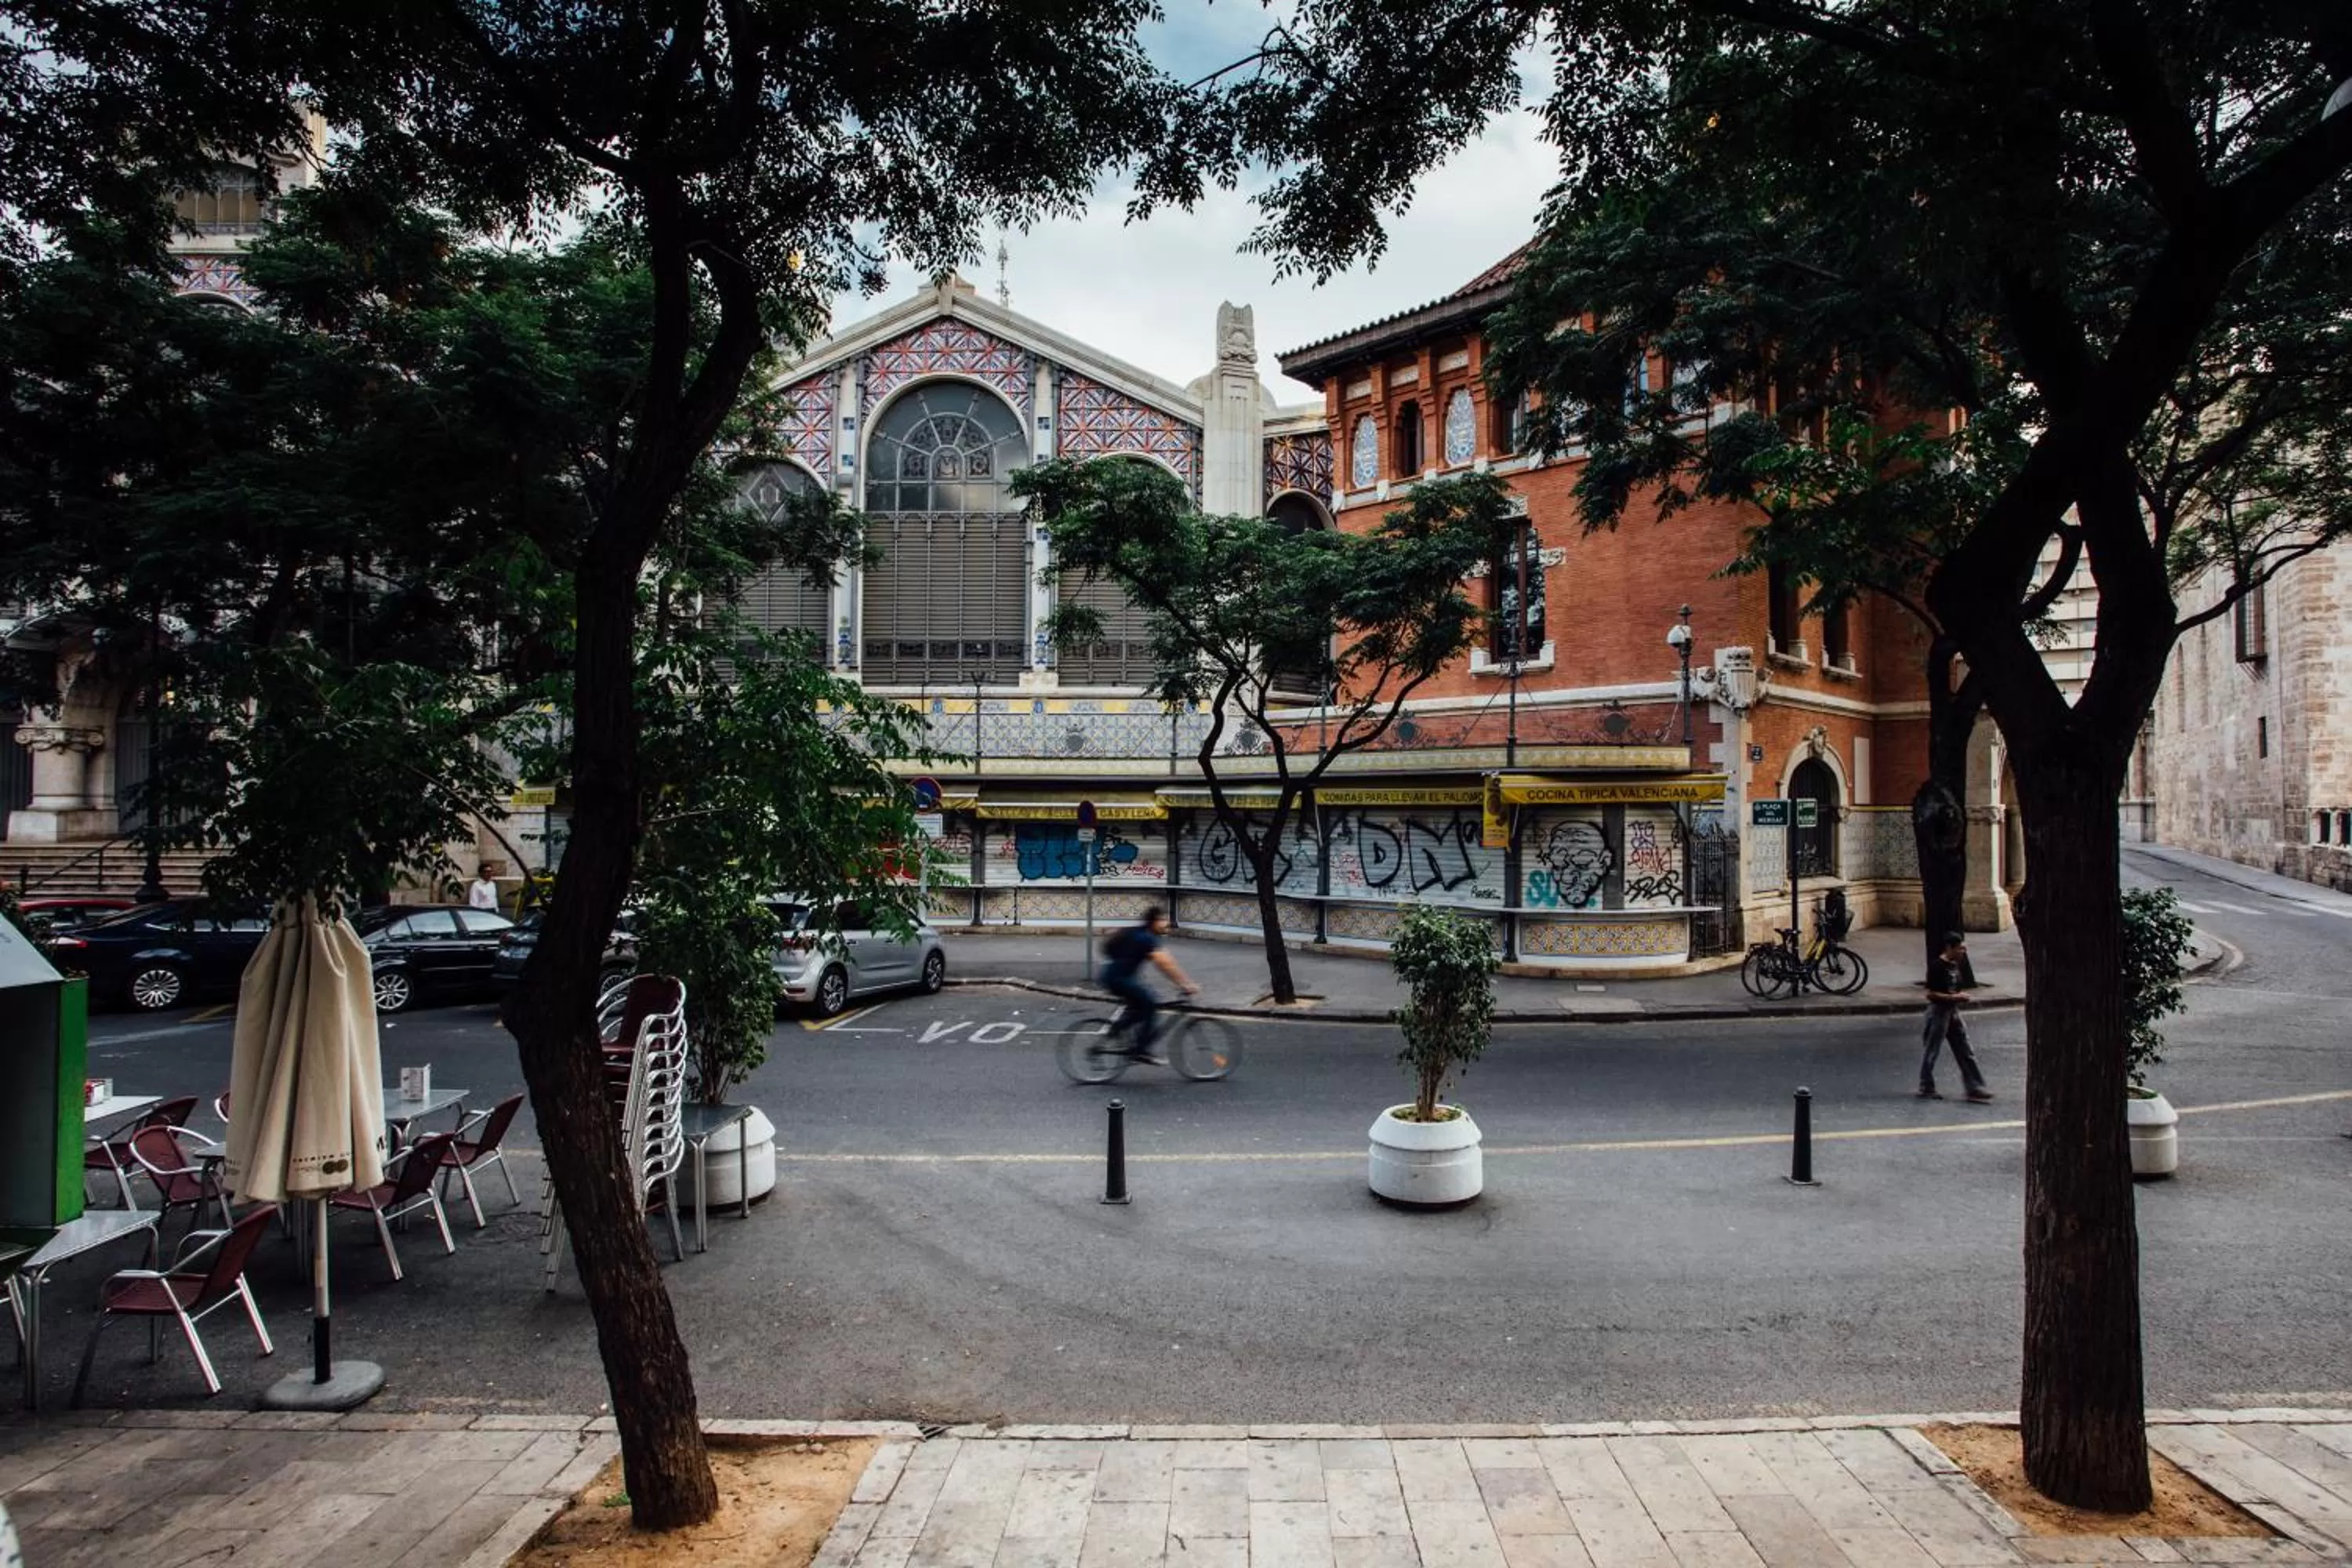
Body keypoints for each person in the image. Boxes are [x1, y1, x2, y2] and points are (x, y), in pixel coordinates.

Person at [1100, 906, 1198, 1063]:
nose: (1167, 923)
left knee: (1141, 1004)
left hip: (1115, 977)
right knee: (1150, 1004)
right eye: (1163, 920)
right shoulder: (1146, 938)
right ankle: (1141, 1050)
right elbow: (1165, 964)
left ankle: (1119, 1031)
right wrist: (1185, 984)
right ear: (1154, 921)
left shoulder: (1138, 932)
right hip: (1119, 980)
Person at [1920, 931, 1993, 1102]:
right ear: (1949, 948)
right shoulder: (1937, 967)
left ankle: (1974, 1087)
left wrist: (1958, 996)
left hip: (1952, 1012)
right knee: (1932, 1051)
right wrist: (1955, 998)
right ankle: (1926, 1086)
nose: (1963, 953)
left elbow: (1954, 988)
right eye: (1960, 949)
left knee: (1965, 1049)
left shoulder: (1955, 966)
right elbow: (1931, 995)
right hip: (1938, 1013)